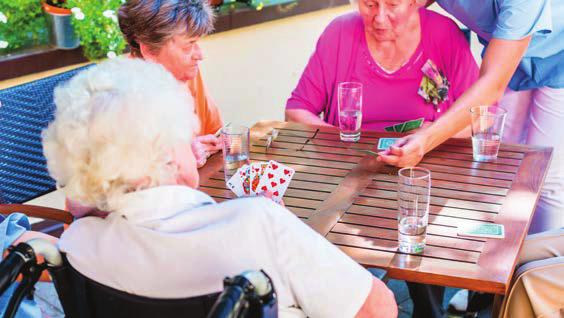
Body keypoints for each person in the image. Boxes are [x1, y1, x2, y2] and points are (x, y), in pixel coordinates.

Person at [42, 58, 398, 318]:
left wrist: (92, 193)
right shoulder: (259, 224)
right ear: (167, 158)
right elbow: (376, 310)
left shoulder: (79, 245)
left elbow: (80, 208)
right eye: (185, 134)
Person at [381, 0, 564, 234]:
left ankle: (535, 261)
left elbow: (491, 86)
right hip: (510, 52)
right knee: (500, 161)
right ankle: (500, 250)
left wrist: (426, 140)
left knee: (546, 174)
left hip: (558, 55)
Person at [286, 0, 478, 135]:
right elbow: (296, 112)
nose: (379, 17)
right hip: (350, 170)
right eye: (370, 4)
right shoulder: (339, 34)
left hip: (427, 172)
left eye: (393, 4)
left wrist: (434, 136)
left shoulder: (443, 35)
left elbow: (480, 117)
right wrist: (339, 141)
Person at [118, 0, 223, 168]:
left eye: (197, 42)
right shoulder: (121, 100)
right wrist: (178, 160)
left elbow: (215, 135)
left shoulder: (186, 74)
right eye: (189, 45)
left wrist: (203, 147)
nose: (200, 55)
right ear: (149, 50)